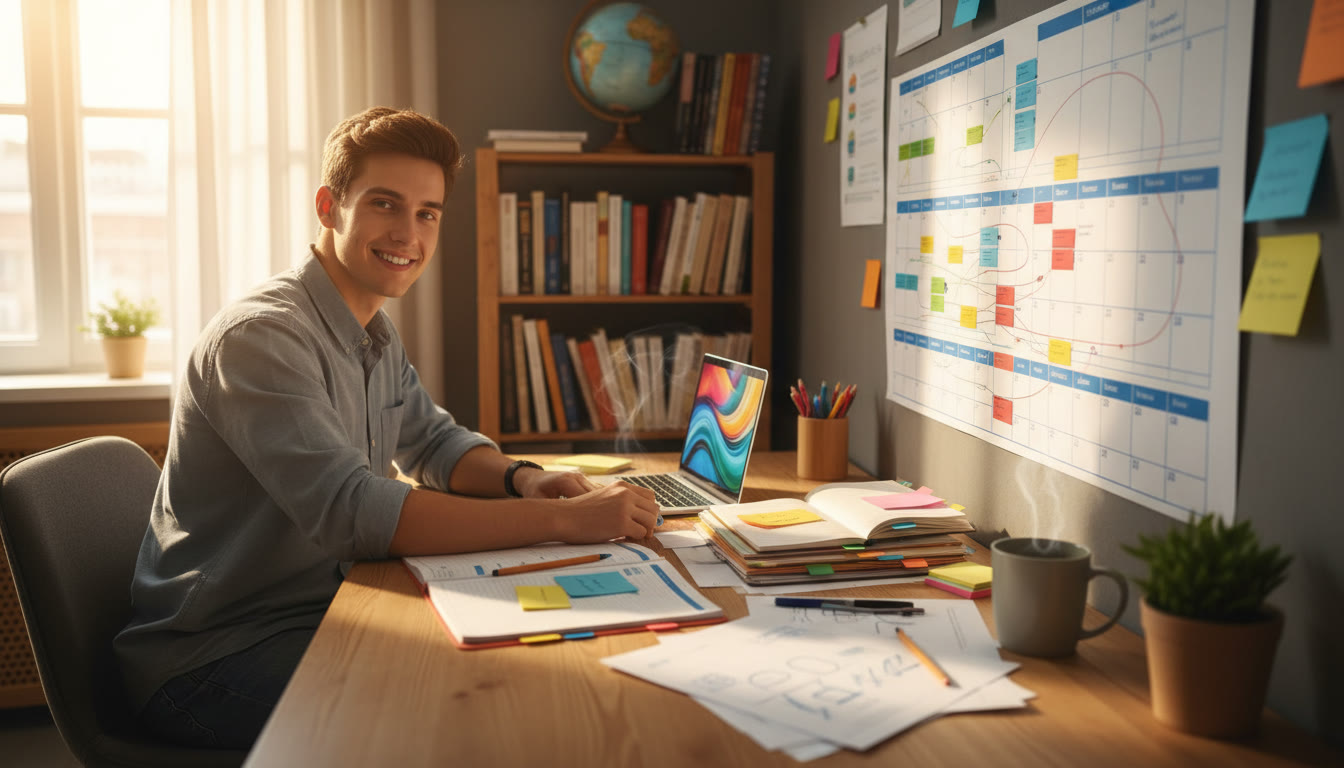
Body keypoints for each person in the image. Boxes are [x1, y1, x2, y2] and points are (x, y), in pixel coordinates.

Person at [114, 106, 659, 750]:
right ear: (329, 206)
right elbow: (356, 512)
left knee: (522, 673)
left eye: (427, 213)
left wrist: (527, 481)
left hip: (327, 610)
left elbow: (432, 442)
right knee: (458, 725)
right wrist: (567, 523)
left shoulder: (370, 327)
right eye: (385, 204)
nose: (409, 233)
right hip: (214, 658)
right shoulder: (262, 337)